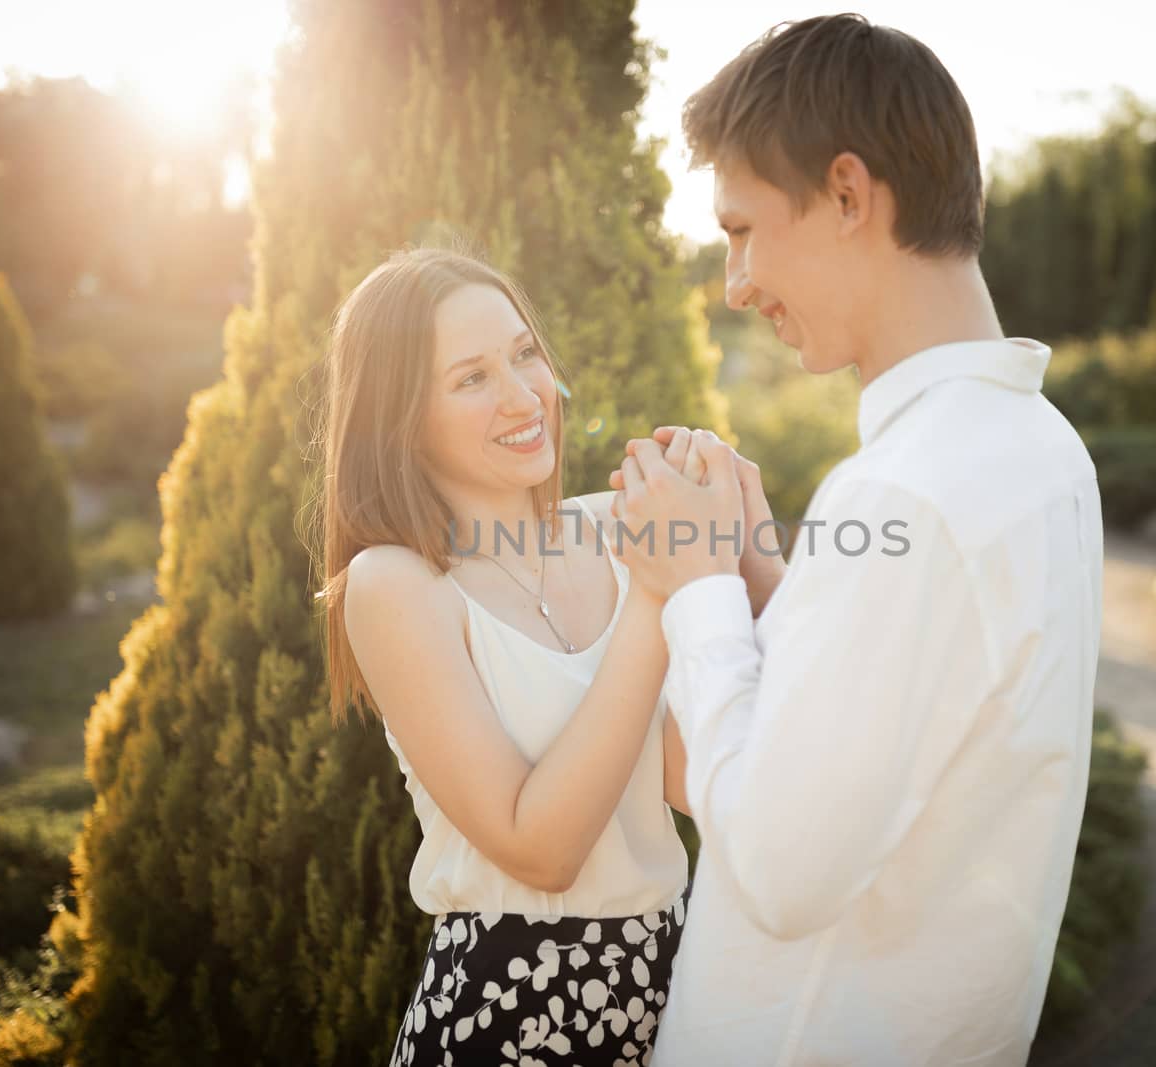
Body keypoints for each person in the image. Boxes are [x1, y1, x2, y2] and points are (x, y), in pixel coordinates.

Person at [604, 14, 1105, 1066]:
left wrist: (696, 588)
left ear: (844, 194)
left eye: (741, 229)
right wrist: (759, 581)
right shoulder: (1041, 446)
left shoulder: (911, 489)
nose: (733, 282)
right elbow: (912, 728)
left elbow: (784, 869)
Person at [314, 247, 706, 1064]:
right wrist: (657, 599)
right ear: (401, 417)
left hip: (683, 995)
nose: (526, 394)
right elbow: (541, 850)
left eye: (525, 354)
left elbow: (694, 781)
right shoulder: (395, 583)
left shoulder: (615, 533)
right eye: (471, 378)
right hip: (512, 1015)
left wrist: (744, 547)